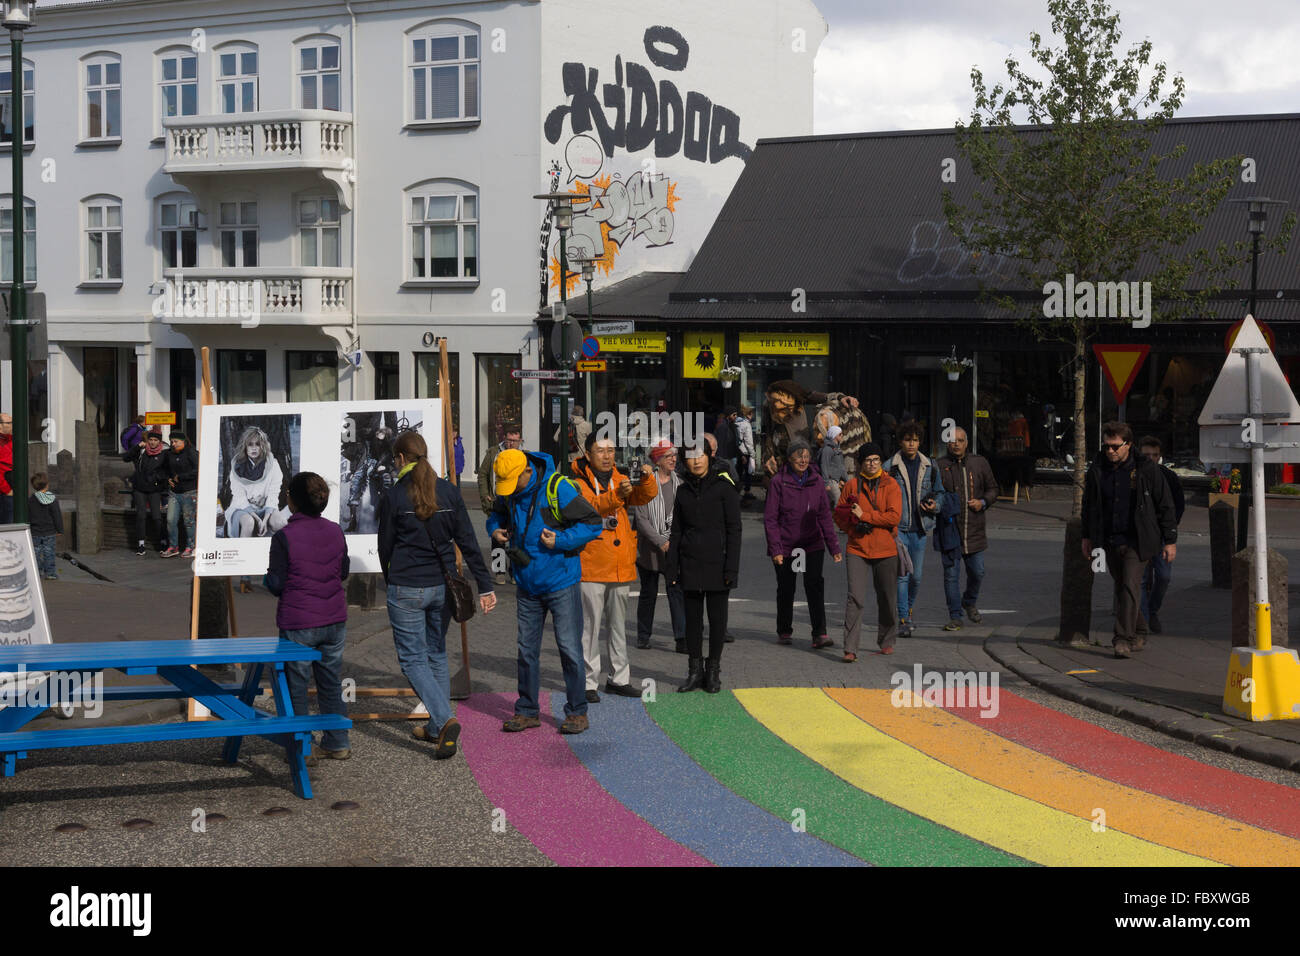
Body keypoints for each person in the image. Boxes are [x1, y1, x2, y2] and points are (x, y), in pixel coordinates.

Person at [379, 432, 497, 757]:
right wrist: (485, 585)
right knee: (436, 653)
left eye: (394, 458)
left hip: (407, 585)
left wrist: (392, 581)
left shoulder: (394, 496)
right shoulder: (448, 491)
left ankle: (444, 719)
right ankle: (434, 728)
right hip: (444, 586)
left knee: (413, 658)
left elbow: (384, 547)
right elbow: (469, 543)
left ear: (401, 458)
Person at [487, 448, 602, 733]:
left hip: (561, 581)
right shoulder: (511, 488)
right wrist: (494, 530)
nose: (509, 490)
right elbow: (496, 515)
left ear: (527, 471)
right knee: (526, 650)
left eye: (513, 483)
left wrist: (561, 540)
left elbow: (593, 523)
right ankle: (527, 710)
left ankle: (577, 712)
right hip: (527, 583)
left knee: (569, 649)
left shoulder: (557, 487)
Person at [263, 472, 353, 763]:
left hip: (299, 621)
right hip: (334, 619)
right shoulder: (336, 531)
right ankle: (338, 741)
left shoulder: (283, 537)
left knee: (296, 684)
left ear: (293, 501)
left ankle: (302, 745)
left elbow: (276, 584)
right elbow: (342, 572)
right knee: (330, 680)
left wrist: (266, 580)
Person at [571, 434, 658, 700]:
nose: (608, 456)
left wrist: (647, 478)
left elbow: (644, 497)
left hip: (620, 564)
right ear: (588, 454)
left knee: (619, 626)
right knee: (590, 627)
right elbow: (588, 508)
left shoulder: (621, 477)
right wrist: (615, 495)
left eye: (611, 450)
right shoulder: (576, 482)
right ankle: (587, 682)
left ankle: (619, 678)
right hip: (592, 564)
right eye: (601, 450)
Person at [1081, 422, 1178, 658]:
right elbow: (1089, 505)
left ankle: (1122, 638)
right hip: (1110, 538)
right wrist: (1087, 536)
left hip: (1139, 539)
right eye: (1107, 446)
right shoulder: (1098, 469)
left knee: (1129, 585)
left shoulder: (1146, 469)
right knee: (1123, 586)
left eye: (1115, 447)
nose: (1110, 451)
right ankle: (1141, 629)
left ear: (1128, 445)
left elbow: (1165, 505)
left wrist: (1170, 540)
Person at [666, 441, 741, 693]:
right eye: (690, 457)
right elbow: (675, 532)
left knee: (718, 621)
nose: (696, 461)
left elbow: (734, 530)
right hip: (689, 564)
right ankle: (694, 671)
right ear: (684, 461)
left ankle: (713, 672)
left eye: (701, 455)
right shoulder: (683, 491)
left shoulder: (724, 488)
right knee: (693, 622)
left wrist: (732, 568)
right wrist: (672, 568)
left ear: (710, 457)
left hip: (718, 564)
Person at [764, 437, 842, 649]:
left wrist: (833, 546)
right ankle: (784, 630)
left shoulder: (816, 481)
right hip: (787, 545)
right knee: (786, 588)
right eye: (799, 456)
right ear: (789, 459)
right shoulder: (778, 482)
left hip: (811, 544)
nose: (803, 460)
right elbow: (770, 519)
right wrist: (776, 549)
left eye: (806, 456)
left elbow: (825, 515)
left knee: (814, 586)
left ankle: (820, 633)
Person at [833, 443, 901, 660]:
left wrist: (865, 517)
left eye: (875, 460)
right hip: (857, 548)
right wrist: (852, 528)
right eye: (867, 460)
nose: (871, 464)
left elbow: (894, 517)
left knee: (887, 598)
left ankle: (887, 638)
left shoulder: (891, 484)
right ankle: (850, 648)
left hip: (885, 549)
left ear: (881, 462)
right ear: (861, 463)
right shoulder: (852, 485)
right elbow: (839, 515)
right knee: (855, 598)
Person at [934, 427, 999, 630]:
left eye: (960, 440)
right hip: (949, 531)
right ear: (947, 443)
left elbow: (993, 489)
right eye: (953, 441)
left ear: (966, 443)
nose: (956, 444)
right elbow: (931, 492)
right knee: (951, 576)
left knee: (978, 572)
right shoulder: (939, 465)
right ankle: (955, 616)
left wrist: (983, 502)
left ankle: (969, 601)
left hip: (974, 530)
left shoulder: (979, 463)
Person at [888, 422, 944, 637]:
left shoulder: (930, 465)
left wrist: (935, 505)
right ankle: (904, 618)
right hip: (898, 528)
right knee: (902, 575)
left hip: (921, 528)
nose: (911, 444)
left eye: (915, 440)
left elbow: (940, 492)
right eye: (907, 440)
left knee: (917, 576)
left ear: (919, 442)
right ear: (900, 441)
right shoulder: (889, 466)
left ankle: (907, 609)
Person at [632, 438, 685, 652]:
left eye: (674, 455)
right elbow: (641, 518)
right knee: (648, 593)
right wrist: (661, 541)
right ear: (658, 460)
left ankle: (682, 638)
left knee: (676, 592)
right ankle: (643, 635)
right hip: (649, 549)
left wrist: (673, 541)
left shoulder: (680, 484)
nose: (673, 459)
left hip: (674, 548)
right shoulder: (645, 482)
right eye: (668, 456)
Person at [760, 380, 861, 478]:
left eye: (782, 403)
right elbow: (766, 432)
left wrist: (841, 397)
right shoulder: (769, 406)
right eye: (775, 403)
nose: (778, 406)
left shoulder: (798, 398)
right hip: (782, 457)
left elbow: (819, 396)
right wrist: (768, 455)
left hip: (803, 454)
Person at [1137, 435, 1185, 635]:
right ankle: (1144, 620)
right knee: (1141, 578)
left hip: (1162, 535)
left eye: (1154, 455)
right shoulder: (1134, 475)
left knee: (1164, 577)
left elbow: (1177, 505)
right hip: (1140, 534)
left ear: (1160, 456)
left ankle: (1152, 609)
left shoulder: (1168, 476)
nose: (1150, 458)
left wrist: (1170, 533)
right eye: (1146, 454)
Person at [225, 426, 287, 539]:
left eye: (257, 444)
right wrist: (258, 519)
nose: (254, 448)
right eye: (250, 444)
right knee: (249, 523)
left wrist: (265, 519)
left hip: (266, 508)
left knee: (281, 522)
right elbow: (239, 497)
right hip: (242, 508)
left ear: (263, 446)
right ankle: (243, 553)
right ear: (245, 446)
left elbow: (274, 494)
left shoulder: (273, 465)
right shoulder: (236, 466)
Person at [122, 428, 169, 555]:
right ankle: (141, 544)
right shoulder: (141, 451)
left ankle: (163, 541)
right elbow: (125, 458)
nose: (152, 442)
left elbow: (167, 470)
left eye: (155, 440)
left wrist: (157, 478)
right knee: (141, 515)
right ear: (147, 440)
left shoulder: (164, 452)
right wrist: (137, 447)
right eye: (151, 440)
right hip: (140, 488)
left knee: (156, 516)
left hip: (154, 488)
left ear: (159, 441)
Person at [162, 432, 199, 558]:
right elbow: (164, 469)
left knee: (189, 521)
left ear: (183, 441)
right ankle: (173, 547)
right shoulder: (169, 454)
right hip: (174, 492)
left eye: (176, 441)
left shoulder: (191, 453)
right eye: (172, 441)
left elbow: (198, 469)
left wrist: (182, 477)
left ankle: (191, 546)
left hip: (189, 491)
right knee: (170, 520)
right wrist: (168, 478)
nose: (173, 444)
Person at [477, 423, 522, 516]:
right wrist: (485, 496)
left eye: (515, 441)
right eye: (509, 440)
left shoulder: (525, 456)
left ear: (520, 441)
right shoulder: (493, 452)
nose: (512, 444)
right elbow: (482, 474)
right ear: (504, 438)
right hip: (495, 501)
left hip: (517, 504)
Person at [28, 473, 63, 580]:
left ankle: (37, 572)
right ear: (47, 485)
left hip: (35, 531)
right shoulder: (52, 499)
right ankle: (50, 573)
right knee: (49, 552)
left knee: (36, 553)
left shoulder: (31, 500)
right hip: (49, 531)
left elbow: (28, 515)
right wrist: (59, 529)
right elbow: (56, 515)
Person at [818, 424, 848, 507]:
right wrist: (826, 483)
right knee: (838, 501)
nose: (842, 435)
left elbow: (840, 466)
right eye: (840, 434)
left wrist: (846, 479)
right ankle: (836, 519)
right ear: (834, 435)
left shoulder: (837, 448)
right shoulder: (827, 449)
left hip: (836, 480)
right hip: (831, 480)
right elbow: (824, 466)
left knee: (829, 503)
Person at [735, 405, 757, 504]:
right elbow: (748, 442)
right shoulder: (746, 425)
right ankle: (747, 492)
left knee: (738, 473)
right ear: (749, 414)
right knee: (748, 473)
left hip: (738, 452)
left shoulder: (737, 423)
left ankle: (736, 492)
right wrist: (753, 454)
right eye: (752, 414)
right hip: (746, 452)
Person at [0, 413, 12, 524]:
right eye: (9, 423)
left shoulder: (11, 439)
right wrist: (6, 489)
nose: (12, 425)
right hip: (5, 490)